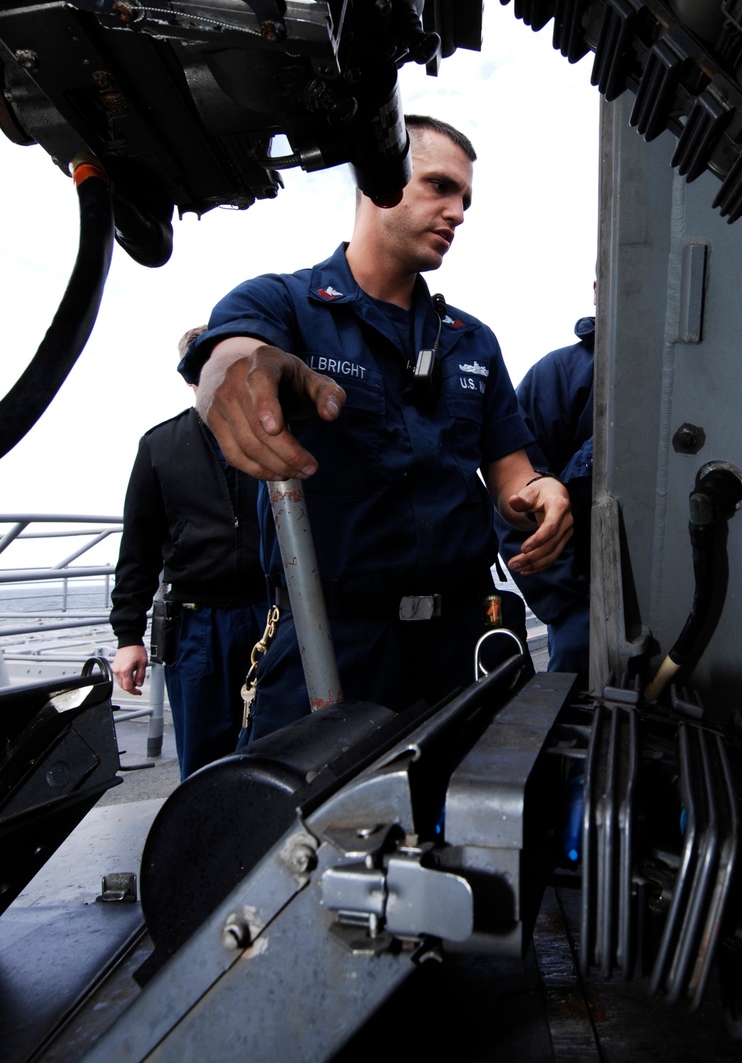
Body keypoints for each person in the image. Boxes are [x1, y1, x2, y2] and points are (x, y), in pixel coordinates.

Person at [181, 114, 573, 738]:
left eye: (466, 198)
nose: (459, 212)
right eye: (440, 186)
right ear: (376, 181)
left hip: (462, 647)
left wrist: (540, 493)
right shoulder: (282, 303)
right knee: (301, 825)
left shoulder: (473, 340)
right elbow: (230, 356)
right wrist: (241, 374)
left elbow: (512, 469)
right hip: (327, 647)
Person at [110, 327, 270, 779]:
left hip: (271, 616)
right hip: (197, 626)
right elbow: (137, 549)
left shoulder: (273, 436)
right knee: (203, 757)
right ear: (191, 378)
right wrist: (127, 637)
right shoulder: (159, 446)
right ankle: (204, 845)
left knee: (279, 742)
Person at [497, 303, 594, 676]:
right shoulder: (556, 374)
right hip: (580, 608)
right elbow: (516, 496)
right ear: (600, 290)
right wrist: (569, 608)